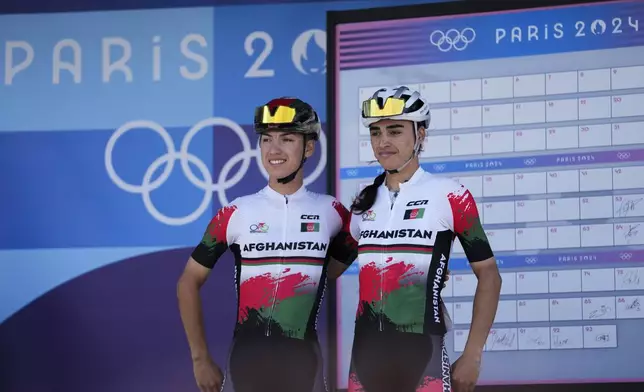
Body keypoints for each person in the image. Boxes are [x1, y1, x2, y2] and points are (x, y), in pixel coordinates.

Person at [176, 97, 359, 392]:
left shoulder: (333, 212)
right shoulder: (235, 212)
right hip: (245, 366)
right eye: (266, 139)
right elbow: (188, 281)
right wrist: (200, 358)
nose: (274, 150)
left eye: (287, 139)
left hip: (305, 368)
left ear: (309, 147)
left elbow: (346, 266)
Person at [344, 86, 502, 392]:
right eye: (376, 133)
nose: (383, 142)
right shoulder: (363, 203)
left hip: (422, 354)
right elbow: (324, 268)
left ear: (420, 136)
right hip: (364, 357)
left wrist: (473, 354)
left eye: (395, 130)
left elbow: (489, 275)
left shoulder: (451, 195)